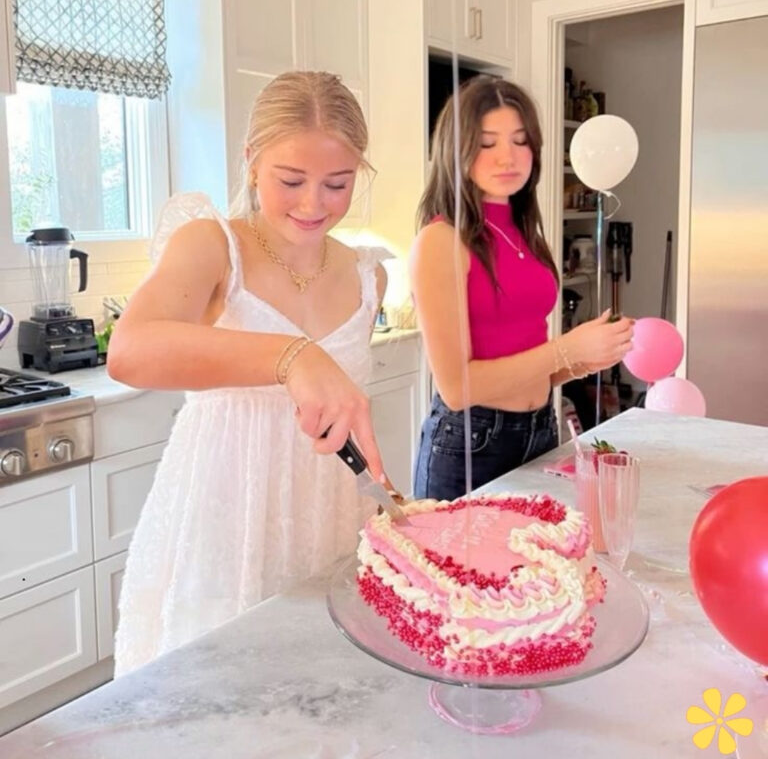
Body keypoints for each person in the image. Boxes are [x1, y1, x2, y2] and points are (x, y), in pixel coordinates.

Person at [108, 71, 389, 675]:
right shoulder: (212, 245)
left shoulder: (369, 275)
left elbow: (335, 410)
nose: (314, 204)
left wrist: (382, 499)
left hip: (326, 513)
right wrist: (293, 355)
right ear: (251, 160)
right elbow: (129, 350)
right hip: (223, 514)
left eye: (337, 184)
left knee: (321, 693)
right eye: (291, 180)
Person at [411, 76, 633, 501]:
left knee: (535, 564)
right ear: (455, 151)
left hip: (540, 430)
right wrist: (569, 347)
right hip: (472, 442)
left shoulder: (524, 232)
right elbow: (458, 388)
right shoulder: (441, 241)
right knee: (463, 568)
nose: (507, 158)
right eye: (488, 143)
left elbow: (531, 364)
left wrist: (590, 354)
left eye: (520, 141)